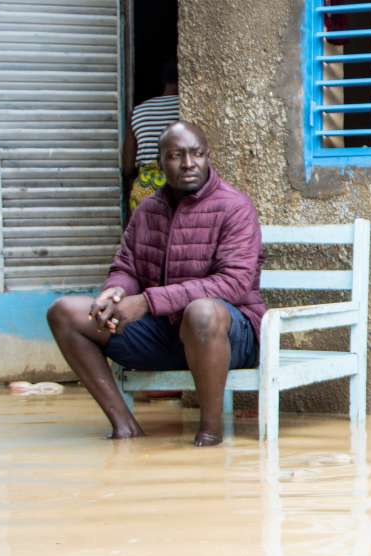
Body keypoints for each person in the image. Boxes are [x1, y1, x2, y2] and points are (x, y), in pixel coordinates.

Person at [48, 121, 267, 447]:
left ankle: (209, 432)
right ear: (161, 162)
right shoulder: (149, 210)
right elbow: (127, 267)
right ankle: (125, 428)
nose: (189, 164)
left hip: (229, 338)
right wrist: (116, 291)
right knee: (65, 312)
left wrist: (146, 302)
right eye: (177, 155)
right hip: (164, 335)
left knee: (201, 312)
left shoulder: (234, 207)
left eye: (197, 154)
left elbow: (232, 284)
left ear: (208, 156)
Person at [124, 61, 181, 209]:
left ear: (163, 81)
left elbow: (127, 167)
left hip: (145, 188)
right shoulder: (186, 109)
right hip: (178, 187)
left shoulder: (139, 111)